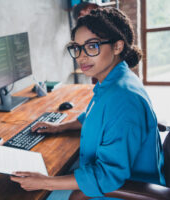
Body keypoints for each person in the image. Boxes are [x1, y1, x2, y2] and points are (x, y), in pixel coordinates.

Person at [10, 7, 166, 199]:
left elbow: (108, 175)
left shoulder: (123, 99)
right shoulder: (113, 80)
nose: (82, 56)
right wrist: (59, 127)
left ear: (117, 47)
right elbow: (94, 114)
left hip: (124, 189)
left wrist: (45, 182)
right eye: (77, 47)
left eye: (92, 46)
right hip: (114, 175)